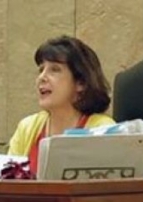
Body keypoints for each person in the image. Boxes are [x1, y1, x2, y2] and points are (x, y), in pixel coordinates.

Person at [8, 35, 115, 176]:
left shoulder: (104, 130)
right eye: (41, 70)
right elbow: (7, 183)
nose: (42, 77)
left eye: (55, 70)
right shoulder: (27, 128)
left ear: (80, 83)